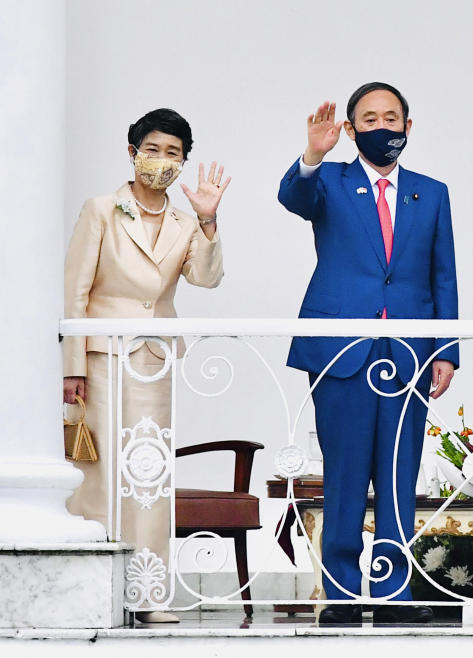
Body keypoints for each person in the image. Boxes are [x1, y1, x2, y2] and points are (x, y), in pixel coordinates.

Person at [277, 82, 458, 625]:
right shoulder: (329, 180)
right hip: (341, 351)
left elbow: (442, 275)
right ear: (352, 130)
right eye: (370, 119)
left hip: (409, 352)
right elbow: (293, 198)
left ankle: (394, 593)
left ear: (409, 126)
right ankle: (341, 590)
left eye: (392, 118)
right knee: (346, 474)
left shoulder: (432, 192)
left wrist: (445, 349)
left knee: (399, 475)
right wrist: (313, 153)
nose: (384, 127)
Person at [63, 108, 228, 623]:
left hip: (153, 358)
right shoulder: (101, 209)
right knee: (100, 473)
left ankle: (148, 594)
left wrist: (207, 219)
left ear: (183, 163)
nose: (161, 160)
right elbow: (76, 292)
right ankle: (89, 591)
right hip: (101, 355)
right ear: (132, 152)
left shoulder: (183, 221)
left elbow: (206, 278)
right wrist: (73, 367)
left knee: (148, 474)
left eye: (173, 153)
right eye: (152, 149)